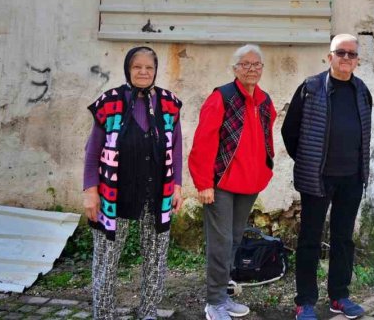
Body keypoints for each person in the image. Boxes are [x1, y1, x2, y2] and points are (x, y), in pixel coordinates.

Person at [83, 46, 184, 320]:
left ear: (155, 70)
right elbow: (93, 151)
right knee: (107, 258)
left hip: (157, 192)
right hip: (114, 194)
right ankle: (103, 313)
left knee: (155, 258)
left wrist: (177, 186)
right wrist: (90, 191)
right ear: (128, 69)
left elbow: (175, 148)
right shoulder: (110, 102)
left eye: (148, 67)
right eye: (137, 67)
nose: (143, 71)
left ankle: (148, 311)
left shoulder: (168, 103)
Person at [281, 34, 373, 320]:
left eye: (351, 54)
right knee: (310, 238)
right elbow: (289, 131)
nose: (346, 58)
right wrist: (309, 161)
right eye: (340, 53)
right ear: (329, 56)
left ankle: (340, 296)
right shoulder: (310, 87)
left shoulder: (361, 90)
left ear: (357, 60)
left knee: (344, 239)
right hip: (317, 179)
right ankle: (305, 301)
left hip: (351, 179)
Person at [189, 44, 277, 320]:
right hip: (220, 185)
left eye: (257, 64)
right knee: (221, 243)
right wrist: (204, 183)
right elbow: (203, 142)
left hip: (249, 185)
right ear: (235, 69)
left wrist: (266, 168)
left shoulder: (264, 100)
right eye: (245, 64)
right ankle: (213, 302)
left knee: (234, 241)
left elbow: (267, 137)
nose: (252, 69)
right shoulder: (222, 97)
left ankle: (223, 296)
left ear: (262, 69)